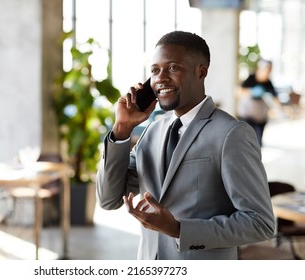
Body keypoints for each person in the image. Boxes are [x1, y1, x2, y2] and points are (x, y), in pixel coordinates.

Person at [96, 31, 275, 260]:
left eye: (172, 68)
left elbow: (260, 222)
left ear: (201, 72)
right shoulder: (152, 132)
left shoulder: (232, 134)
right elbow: (108, 199)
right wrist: (121, 129)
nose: (160, 78)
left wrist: (179, 230)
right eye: (154, 70)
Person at [236, 59, 281, 146]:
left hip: (260, 118)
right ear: (260, 69)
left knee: (257, 143)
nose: (268, 73)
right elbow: (238, 92)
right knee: (245, 142)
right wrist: (251, 92)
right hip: (247, 116)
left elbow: (276, 100)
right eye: (266, 70)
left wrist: (273, 101)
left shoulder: (268, 83)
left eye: (269, 71)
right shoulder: (251, 78)